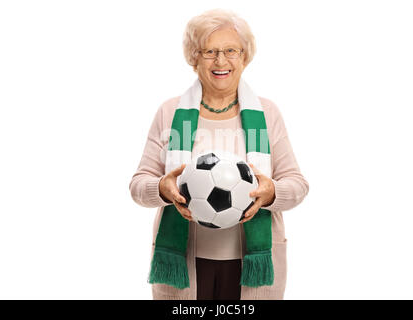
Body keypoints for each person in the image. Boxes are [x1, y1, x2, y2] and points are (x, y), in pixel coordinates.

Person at [129, 8, 309, 300]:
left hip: (252, 265)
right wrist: (161, 187)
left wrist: (271, 192)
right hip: (184, 264)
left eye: (230, 50)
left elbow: (298, 184)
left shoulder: (267, 113)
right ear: (194, 57)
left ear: (244, 56)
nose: (221, 61)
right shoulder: (170, 112)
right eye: (210, 51)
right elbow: (138, 185)